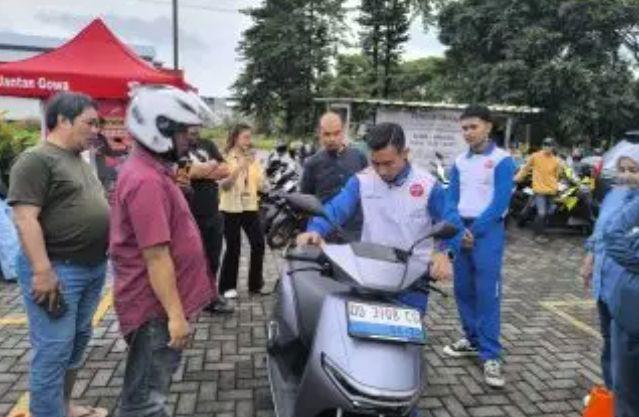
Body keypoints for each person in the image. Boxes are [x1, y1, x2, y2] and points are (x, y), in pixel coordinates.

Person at [109, 86, 216, 417]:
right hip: (154, 311)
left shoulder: (153, 169)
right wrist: (175, 316)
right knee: (144, 403)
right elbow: (156, 256)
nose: (189, 140)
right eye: (183, 132)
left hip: (156, 307)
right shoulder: (146, 181)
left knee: (147, 394)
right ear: (160, 129)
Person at [8, 92, 109, 417]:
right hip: (58, 270)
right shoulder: (36, 159)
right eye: (89, 123)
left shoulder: (78, 159)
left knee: (76, 342)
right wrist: (42, 271)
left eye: (97, 123)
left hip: (91, 267)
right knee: (54, 349)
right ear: (63, 120)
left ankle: (62, 407)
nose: (96, 130)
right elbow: (25, 218)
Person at [297, 122, 459, 313]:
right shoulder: (362, 180)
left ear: (405, 153)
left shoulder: (428, 186)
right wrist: (315, 230)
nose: (381, 171)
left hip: (412, 281)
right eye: (375, 163)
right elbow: (336, 209)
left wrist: (444, 253)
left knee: (407, 331)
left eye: (388, 163)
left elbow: (450, 222)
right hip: (369, 274)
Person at [442, 105, 516, 388]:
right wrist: (458, 229)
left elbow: (500, 203)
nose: (468, 133)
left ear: (488, 126)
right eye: (464, 128)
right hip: (462, 231)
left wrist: (474, 231)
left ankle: (491, 354)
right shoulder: (460, 161)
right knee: (463, 289)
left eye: (473, 127)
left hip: (487, 232)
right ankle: (472, 339)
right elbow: (450, 200)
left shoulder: (502, 160)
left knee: (487, 294)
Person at [581, 144, 639, 403]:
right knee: (609, 340)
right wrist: (589, 258)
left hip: (625, 284)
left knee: (625, 346)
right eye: (622, 169)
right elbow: (600, 230)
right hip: (603, 279)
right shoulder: (614, 195)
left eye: (633, 170)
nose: (626, 176)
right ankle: (612, 393)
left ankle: (625, 396)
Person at [176, 125, 234, 313]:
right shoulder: (178, 147)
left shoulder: (208, 144)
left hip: (213, 212)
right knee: (190, 260)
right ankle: (187, 299)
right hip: (189, 215)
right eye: (190, 129)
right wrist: (211, 166)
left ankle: (210, 297)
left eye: (196, 128)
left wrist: (199, 171)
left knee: (213, 258)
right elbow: (183, 174)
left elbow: (226, 170)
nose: (194, 133)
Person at [602, 177, 639, 417]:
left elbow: (613, 235)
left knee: (626, 398)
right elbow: (611, 235)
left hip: (629, 310)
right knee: (626, 397)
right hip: (629, 311)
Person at [300, 112, 368, 240]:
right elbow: (306, 202)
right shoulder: (312, 163)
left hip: (354, 233)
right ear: (319, 134)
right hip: (324, 234)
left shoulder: (359, 157)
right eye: (327, 134)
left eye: (336, 133)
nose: (332, 139)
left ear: (343, 132)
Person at [218, 123, 267, 299]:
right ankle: (227, 287)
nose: (248, 141)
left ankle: (255, 284)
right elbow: (224, 185)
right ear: (235, 138)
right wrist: (240, 167)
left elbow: (260, 184)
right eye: (245, 137)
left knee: (258, 243)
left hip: (250, 206)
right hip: (230, 207)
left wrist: (258, 168)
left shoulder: (252, 158)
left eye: (249, 137)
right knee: (233, 247)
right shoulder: (225, 158)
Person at [515, 137, 564, 240]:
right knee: (541, 213)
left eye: (550, 145)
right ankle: (538, 234)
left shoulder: (556, 160)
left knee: (549, 212)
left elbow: (557, 175)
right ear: (542, 146)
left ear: (553, 147)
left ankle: (525, 222)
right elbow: (525, 169)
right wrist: (516, 178)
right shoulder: (535, 156)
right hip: (539, 190)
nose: (547, 147)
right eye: (545, 144)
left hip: (551, 190)